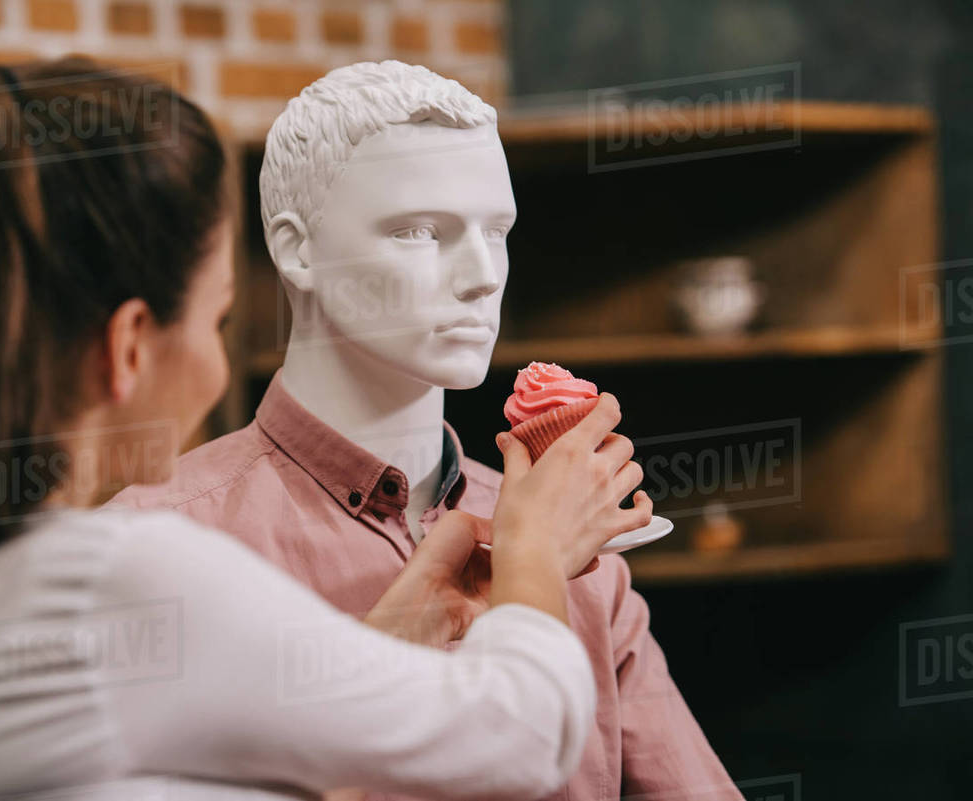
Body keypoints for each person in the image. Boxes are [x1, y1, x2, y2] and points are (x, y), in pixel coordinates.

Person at [0, 47, 648, 801]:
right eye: (218, 318)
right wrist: (534, 550)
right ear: (129, 345)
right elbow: (522, 735)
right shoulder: (129, 575)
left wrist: (384, 643)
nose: (479, 274)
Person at [113, 61, 741, 801]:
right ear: (298, 249)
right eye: (420, 231)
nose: (483, 276)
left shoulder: (577, 548)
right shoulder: (154, 549)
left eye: (497, 231)